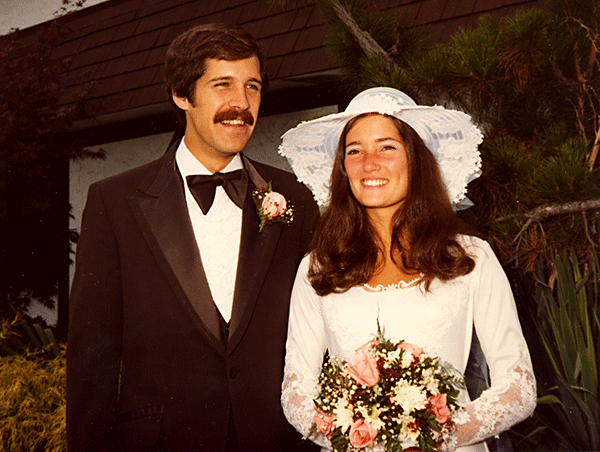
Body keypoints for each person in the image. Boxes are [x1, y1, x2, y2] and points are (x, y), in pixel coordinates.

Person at [67, 23, 319, 452]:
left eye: (252, 87)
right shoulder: (114, 202)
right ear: (182, 95)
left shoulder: (294, 196)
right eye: (223, 85)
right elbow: (92, 362)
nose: (242, 104)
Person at [279, 87, 536, 451]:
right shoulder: (318, 267)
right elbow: (295, 391)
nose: (369, 163)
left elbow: (519, 387)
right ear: (342, 168)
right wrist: (352, 436)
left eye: (387, 147)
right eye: (355, 151)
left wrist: (430, 435)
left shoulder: (472, 258)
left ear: (416, 159)